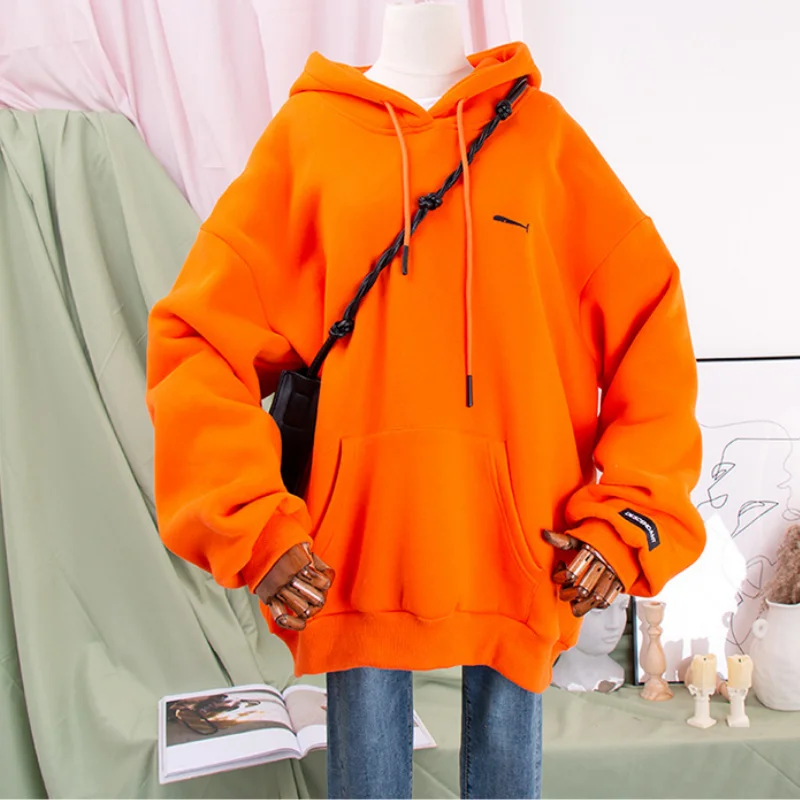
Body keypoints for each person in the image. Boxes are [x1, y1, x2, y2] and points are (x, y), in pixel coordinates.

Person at [145, 5, 706, 797]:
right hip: (356, 546)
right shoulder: (309, 138)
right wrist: (254, 525)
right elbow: (197, 342)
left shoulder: (541, 136)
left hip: (525, 545)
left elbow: (650, 322)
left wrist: (631, 517)